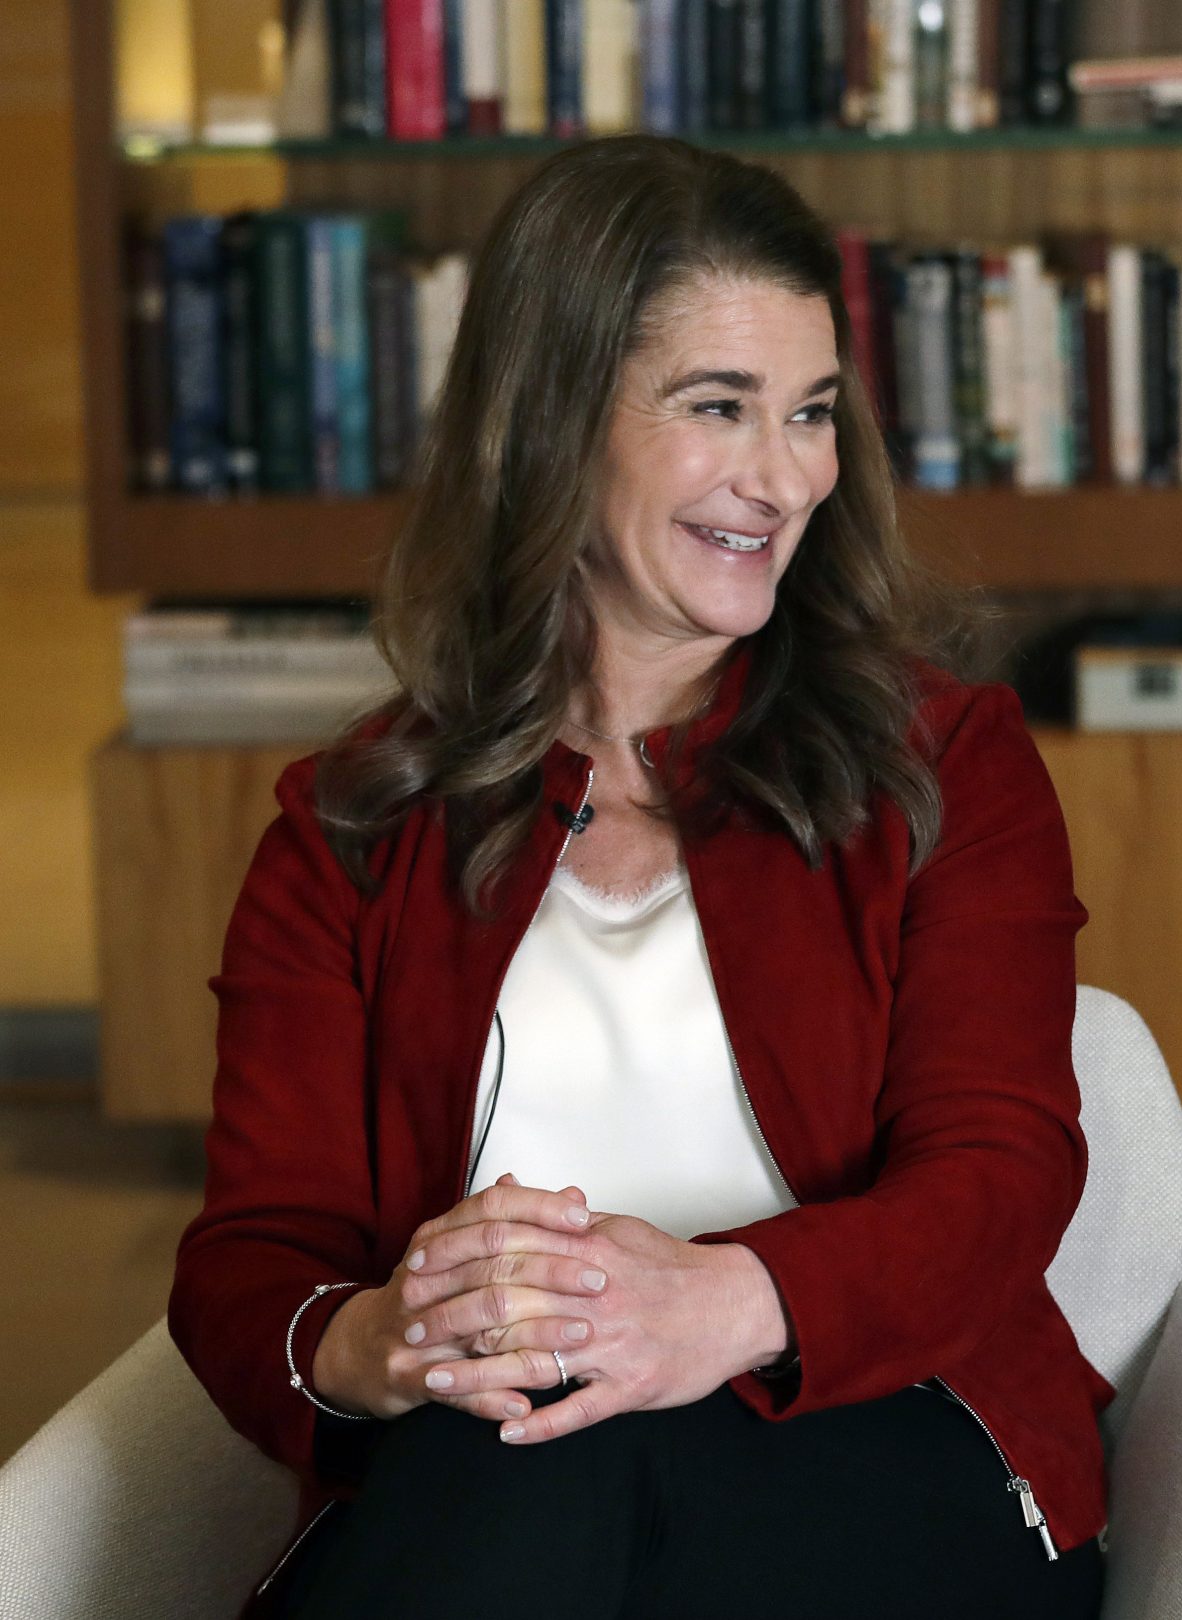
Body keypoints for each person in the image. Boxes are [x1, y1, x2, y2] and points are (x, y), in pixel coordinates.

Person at [168, 135, 1107, 1620]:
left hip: (885, 1434)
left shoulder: (949, 764)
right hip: (493, 1461)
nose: (785, 476)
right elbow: (251, 1262)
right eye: (716, 407)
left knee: (541, 1469)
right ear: (551, 420)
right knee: (524, 1449)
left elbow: (999, 1178)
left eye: (810, 414)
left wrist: (712, 1308)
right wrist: (385, 1339)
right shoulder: (347, 823)